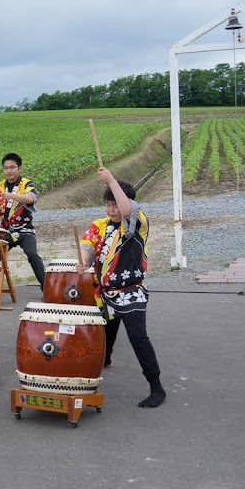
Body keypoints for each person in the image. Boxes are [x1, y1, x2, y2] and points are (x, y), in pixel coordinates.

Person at [79, 167, 165, 408]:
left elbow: (127, 209)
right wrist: (83, 261)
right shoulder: (99, 225)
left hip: (131, 292)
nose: (112, 209)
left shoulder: (137, 223)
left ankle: (156, 386)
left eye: (115, 204)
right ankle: (102, 362)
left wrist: (110, 180)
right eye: (108, 204)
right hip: (104, 294)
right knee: (101, 336)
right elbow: (87, 245)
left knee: (138, 337)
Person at [0, 152, 46, 290]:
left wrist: (11, 195)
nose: (9, 171)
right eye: (6, 168)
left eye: (12, 167)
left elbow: (30, 199)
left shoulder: (26, 184)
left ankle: (46, 286)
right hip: (6, 230)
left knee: (32, 254)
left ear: (19, 168)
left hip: (25, 229)